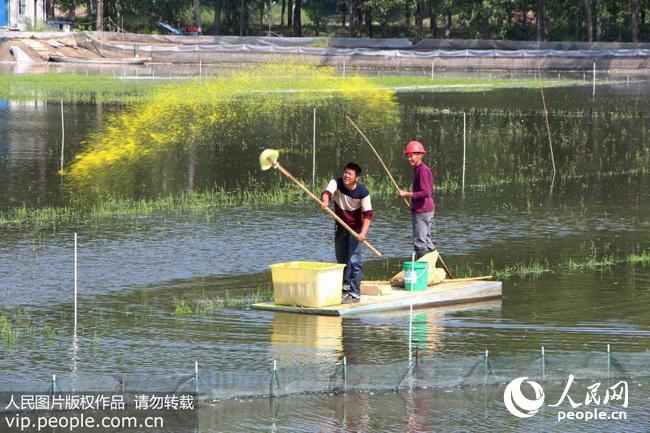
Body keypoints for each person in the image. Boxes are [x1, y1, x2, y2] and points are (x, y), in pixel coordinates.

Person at [321, 162, 373, 304]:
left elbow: (368, 214)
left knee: (354, 261)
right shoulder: (336, 183)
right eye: (345, 172)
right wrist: (325, 202)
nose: (346, 175)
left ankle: (355, 293)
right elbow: (327, 193)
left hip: (355, 230)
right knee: (341, 260)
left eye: (350, 173)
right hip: (340, 228)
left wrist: (363, 234)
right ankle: (344, 289)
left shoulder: (363, 192)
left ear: (357, 177)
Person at [398, 140, 436, 259]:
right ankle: (432, 267)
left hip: (423, 211)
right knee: (427, 241)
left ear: (420, 155)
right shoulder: (418, 169)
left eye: (412, 156)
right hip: (422, 209)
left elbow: (426, 192)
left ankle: (425, 271)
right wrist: (413, 205)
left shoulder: (423, 170)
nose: (409, 159)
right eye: (408, 156)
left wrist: (407, 194)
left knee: (420, 242)